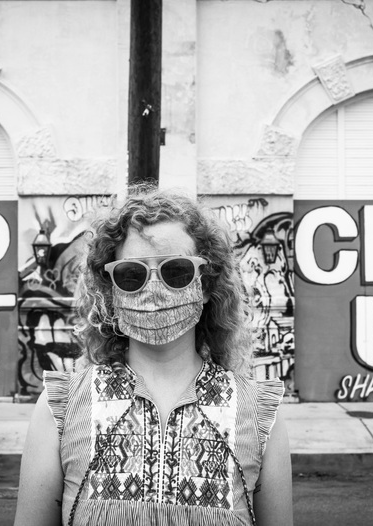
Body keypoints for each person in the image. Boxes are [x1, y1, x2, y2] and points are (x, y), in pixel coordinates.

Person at [15, 188, 293, 526]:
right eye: (131, 275)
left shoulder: (261, 416)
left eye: (176, 271)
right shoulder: (59, 409)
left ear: (205, 285)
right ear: (111, 291)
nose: (154, 290)